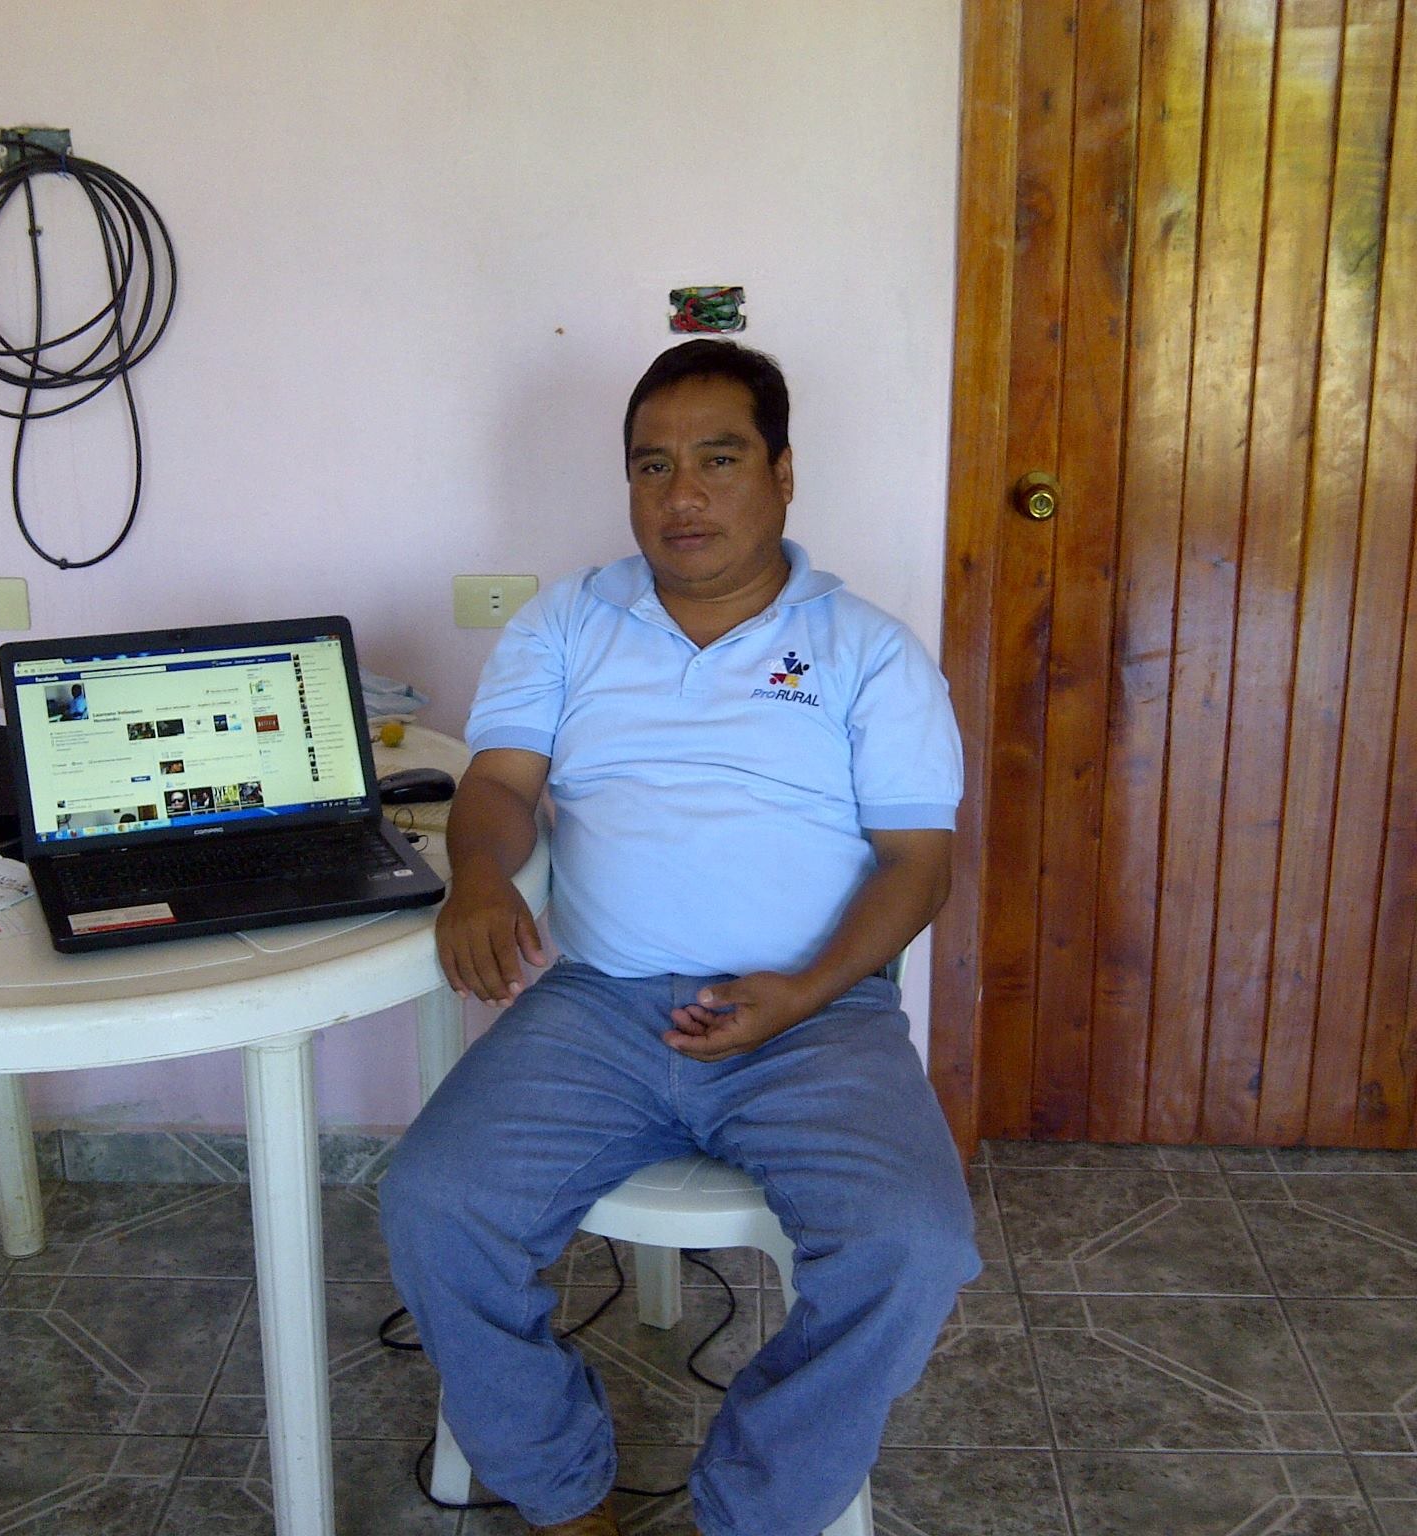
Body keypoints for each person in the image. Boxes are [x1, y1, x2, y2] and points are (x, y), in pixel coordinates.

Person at [380, 339, 980, 1536]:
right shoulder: (566, 623)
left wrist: (803, 991)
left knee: (910, 1247)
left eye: (717, 459)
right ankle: (565, 1499)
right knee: (432, 1203)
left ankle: (753, 1510)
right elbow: (496, 785)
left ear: (784, 473)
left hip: (813, 1019)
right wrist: (477, 879)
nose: (682, 496)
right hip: (596, 1002)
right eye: (652, 467)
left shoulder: (868, 651)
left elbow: (920, 865)